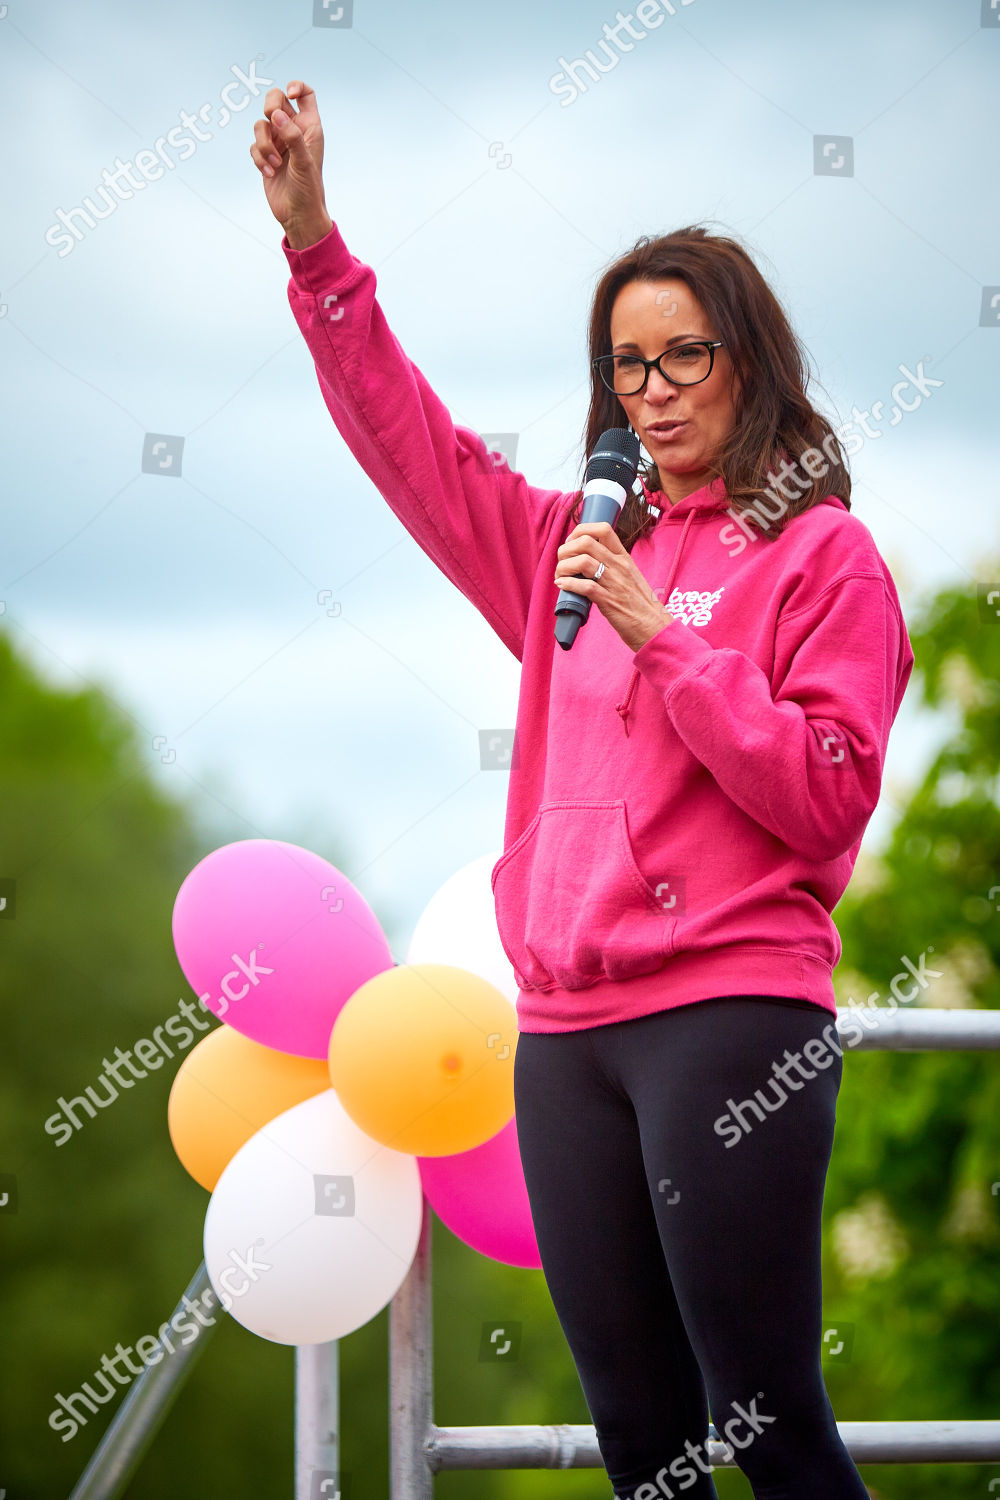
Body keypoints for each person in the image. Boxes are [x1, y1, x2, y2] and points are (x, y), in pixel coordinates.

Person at [251, 81, 913, 1499]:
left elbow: (824, 794)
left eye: (684, 358)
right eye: (627, 366)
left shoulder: (824, 558)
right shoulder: (565, 538)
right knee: (643, 1442)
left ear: (749, 364)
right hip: (563, 1033)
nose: (654, 391)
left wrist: (667, 640)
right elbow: (408, 444)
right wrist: (316, 249)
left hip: (729, 1017)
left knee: (764, 1414)